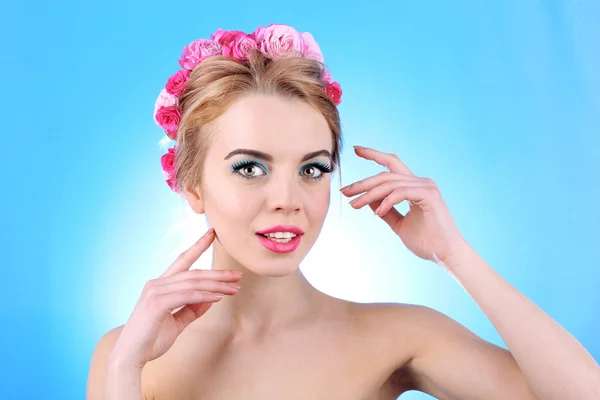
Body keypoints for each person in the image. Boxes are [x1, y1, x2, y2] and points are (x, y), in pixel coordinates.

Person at [86, 24, 600, 399]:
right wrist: (125, 369)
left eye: (312, 169)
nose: (287, 198)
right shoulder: (126, 351)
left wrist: (453, 253)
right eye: (249, 168)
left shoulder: (399, 336)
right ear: (192, 186)